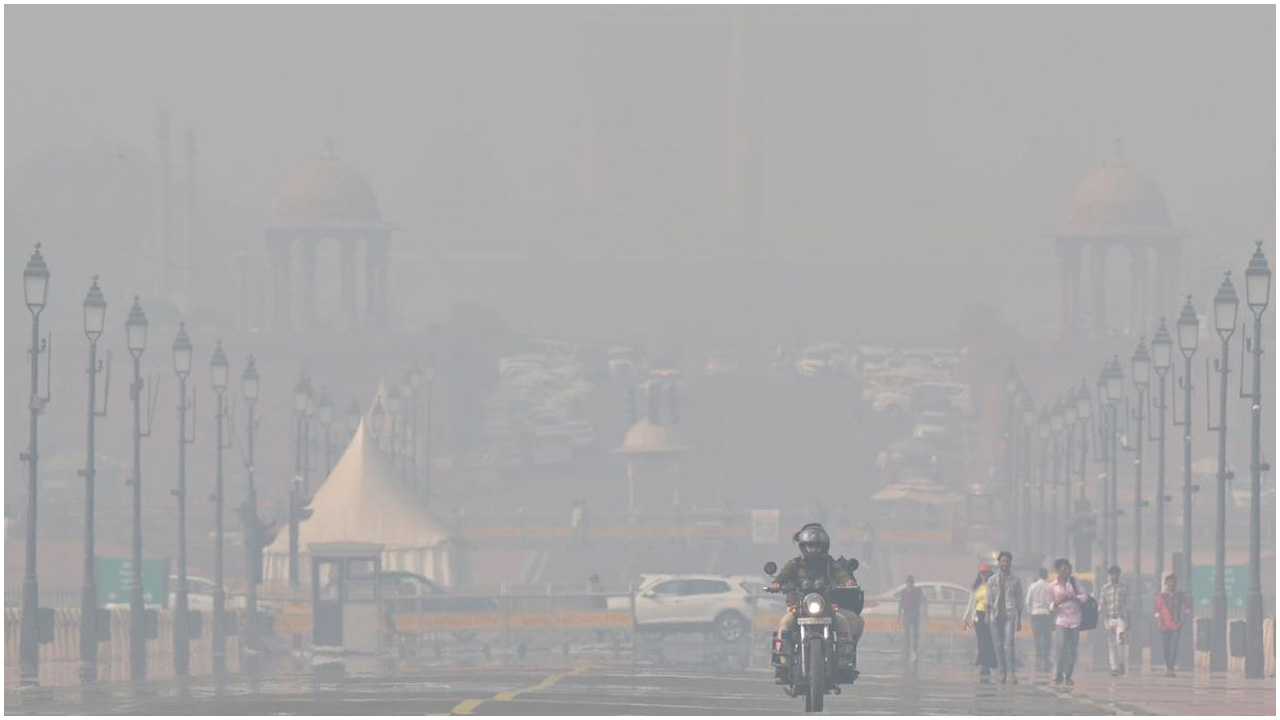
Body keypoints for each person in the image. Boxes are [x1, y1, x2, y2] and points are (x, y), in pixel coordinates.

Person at [770, 523, 864, 681]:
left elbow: (840, 573)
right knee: (785, 624)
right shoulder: (794, 564)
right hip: (798, 608)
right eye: (810, 546)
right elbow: (782, 576)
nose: (813, 549)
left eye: (816, 546)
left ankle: (843, 663)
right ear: (803, 547)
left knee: (843, 622)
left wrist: (847, 581)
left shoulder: (829, 563)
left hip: (827, 608)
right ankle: (783, 665)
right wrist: (776, 583)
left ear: (823, 547)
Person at [985, 550, 1024, 684]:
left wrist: (1019, 619)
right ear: (999, 563)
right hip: (995, 616)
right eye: (1003, 561)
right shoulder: (992, 580)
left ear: (1010, 563)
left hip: (1010, 616)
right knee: (997, 645)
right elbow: (988, 599)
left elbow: (1019, 601)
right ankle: (1002, 673)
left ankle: (1012, 673)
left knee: (1009, 644)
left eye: (1007, 561)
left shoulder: (1016, 580)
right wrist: (987, 615)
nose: (1005, 563)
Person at [1048, 557, 1087, 686]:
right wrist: (1059, 602)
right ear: (1058, 571)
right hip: (1061, 620)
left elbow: (1084, 597)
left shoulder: (1075, 582)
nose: (1067, 572)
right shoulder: (1052, 586)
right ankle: (1058, 673)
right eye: (1064, 569)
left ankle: (1068, 675)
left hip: (1075, 620)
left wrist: (1073, 598)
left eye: (1068, 569)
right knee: (1061, 648)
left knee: (1072, 649)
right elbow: (1050, 606)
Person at [962, 563, 997, 682]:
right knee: (981, 640)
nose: (984, 575)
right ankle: (983, 665)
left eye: (985, 573)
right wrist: (966, 617)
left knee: (987, 640)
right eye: (982, 573)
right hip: (977, 614)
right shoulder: (977, 586)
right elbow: (971, 602)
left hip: (988, 615)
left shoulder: (992, 585)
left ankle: (988, 663)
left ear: (989, 573)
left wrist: (990, 614)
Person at [1154, 573, 1192, 677]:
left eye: (1174, 581)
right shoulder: (1161, 596)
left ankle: (1171, 668)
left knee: (1174, 647)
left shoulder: (1180, 595)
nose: (1172, 583)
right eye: (1170, 581)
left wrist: (1182, 621)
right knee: (1165, 648)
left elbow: (1187, 608)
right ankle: (1168, 666)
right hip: (1164, 625)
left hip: (1175, 625)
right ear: (1166, 583)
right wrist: (1158, 621)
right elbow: (1157, 610)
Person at [1101, 565, 1130, 676]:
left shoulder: (1123, 587)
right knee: (1111, 643)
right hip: (1109, 619)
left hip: (1121, 618)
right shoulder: (1105, 588)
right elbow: (1102, 602)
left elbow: (1128, 602)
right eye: (1112, 574)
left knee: (1120, 641)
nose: (1114, 576)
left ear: (1119, 574)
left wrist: (1129, 617)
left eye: (1116, 574)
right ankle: (1113, 667)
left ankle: (1121, 662)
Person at [1025, 567, 1053, 674]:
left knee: (1037, 638)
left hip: (1035, 614)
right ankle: (1045, 660)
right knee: (1047, 638)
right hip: (1046, 614)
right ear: (1046, 575)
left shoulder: (1033, 586)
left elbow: (1028, 600)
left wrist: (1030, 611)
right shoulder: (1050, 586)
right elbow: (1051, 601)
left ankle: (1038, 659)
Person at [898, 575, 927, 667]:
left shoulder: (917, 591)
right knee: (907, 634)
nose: (909, 584)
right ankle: (907, 651)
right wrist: (899, 614)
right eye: (908, 583)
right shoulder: (904, 592)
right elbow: (901, 603)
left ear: (912, 583)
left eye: (910, 583)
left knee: (915, 634)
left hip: (915, 614)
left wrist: (924, 610)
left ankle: (914, 651)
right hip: (906, 614)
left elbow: (923, 599)